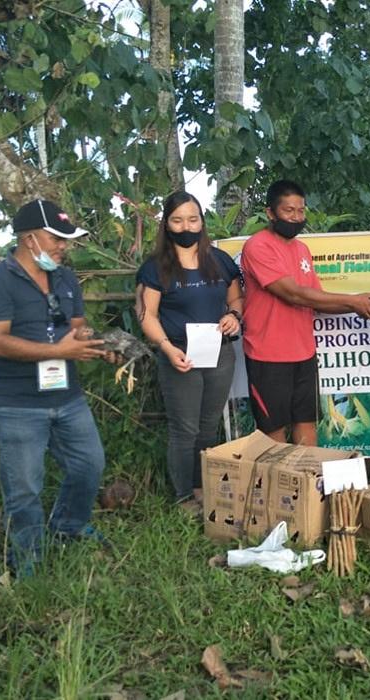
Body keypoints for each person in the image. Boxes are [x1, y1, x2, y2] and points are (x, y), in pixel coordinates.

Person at [0, 199, 113, 576]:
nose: (64, 246)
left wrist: (99, 345)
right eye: (57, 238)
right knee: (24, 489)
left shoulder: (65, 278)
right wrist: (57, 351)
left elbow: (76, 327)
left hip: (67, 396)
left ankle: (68, 526)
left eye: (66, 239)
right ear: (29, 238)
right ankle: (27, 559)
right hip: (17, 403)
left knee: (89, 465)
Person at [240, 180, 370, 446]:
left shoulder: (302, 249)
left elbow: (317, 299)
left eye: (301, 211)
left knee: (307, 425)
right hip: (268, 355)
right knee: (274, 432)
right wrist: (353, 302)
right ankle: (278, 476)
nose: (296, 217)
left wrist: (365, 306)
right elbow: (293, 294)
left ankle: (309, 475)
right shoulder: (258, 246)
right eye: (289, 211)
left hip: (304, 353)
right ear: (270, 212)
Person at [137, 191, 242, 512]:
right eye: (178, 220)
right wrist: (166, 348)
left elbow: (237, 299)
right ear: (166, 224)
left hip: (219, 353)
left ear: (202, 222)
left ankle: (201, 489)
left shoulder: (220, 261)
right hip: (179, 353)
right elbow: (146, 315)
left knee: (208, 425)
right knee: (185, 428)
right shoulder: (156, 268)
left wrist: (234, 316)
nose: (186, 227)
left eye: (193, 219)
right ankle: (183, 497)